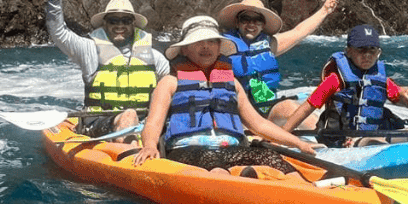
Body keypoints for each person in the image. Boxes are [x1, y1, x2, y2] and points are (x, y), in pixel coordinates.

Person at [133, 16, 316, 174]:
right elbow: (153, 124)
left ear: (219, 47)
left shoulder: (232, 83)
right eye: (198, 42)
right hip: (187, 151)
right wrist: (149, 145)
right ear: (185, 49)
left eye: (212, 41)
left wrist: (298, 143)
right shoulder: (170, 83)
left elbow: (258, 124)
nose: (206, 47)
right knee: (211, 161)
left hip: (230, 149)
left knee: (272, 159)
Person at [46, 0, 170, 140]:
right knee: (129, 115)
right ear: (104, 24)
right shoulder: (89, 50)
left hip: (146, 123)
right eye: (113, 20)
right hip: (99, 122)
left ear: (133, 24)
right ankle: (132, 161)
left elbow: (168, 89)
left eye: (125, 20)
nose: (119, 25)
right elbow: (58, 32)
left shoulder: (155, 57)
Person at [281, 24, 408, 146]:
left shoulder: (380, 78)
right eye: (361, 50)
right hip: (340, 137)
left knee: (406, 131)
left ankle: (376, 141)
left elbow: (405, 101)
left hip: (371, 132)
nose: (367, 55)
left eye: (372, 50)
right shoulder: (335, 80)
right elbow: (307, 108)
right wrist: (282, 135)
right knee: (368, 141)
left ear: (378, 53)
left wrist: (405, 94)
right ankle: (369, 142)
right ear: (349, 51)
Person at [217, 0, 340, 125]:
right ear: (237, 23)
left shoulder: (270, 44)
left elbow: (299, 32)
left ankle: (328, 138)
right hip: (238, 113)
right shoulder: (223, 45)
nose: (251, 24)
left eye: (257, 20)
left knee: (290, 108)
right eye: (245, 19)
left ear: (263, 24)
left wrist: (324, 11)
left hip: (266, 109)